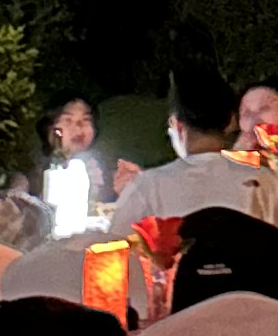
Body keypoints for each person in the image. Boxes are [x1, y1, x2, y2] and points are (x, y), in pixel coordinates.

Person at [104, 69, 266, 239]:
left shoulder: (146, 188)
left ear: (177, 126)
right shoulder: (267, 183)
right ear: (231, 122)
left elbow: (115, 243)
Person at [38, 97, 120, 239]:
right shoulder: (38, 170)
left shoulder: (101, 167)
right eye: (68, 120)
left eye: (86, 120)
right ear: (49, 129)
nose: (78, 127)